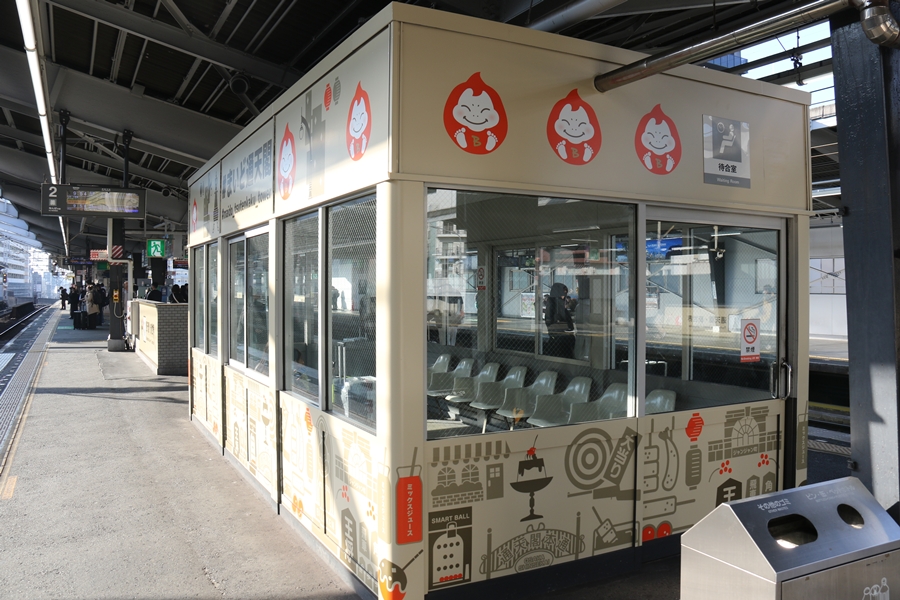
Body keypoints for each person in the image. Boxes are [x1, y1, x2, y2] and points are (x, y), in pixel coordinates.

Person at [544, 282, 574, 358]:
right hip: (558, 337)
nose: (564, 296)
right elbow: (549, 320)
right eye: (562, 293)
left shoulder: (560, 304)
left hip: (561, 336)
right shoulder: (553, 303)